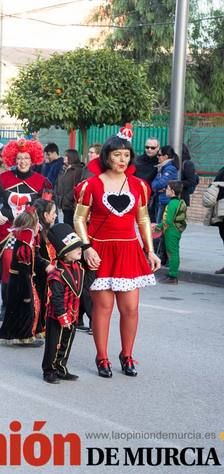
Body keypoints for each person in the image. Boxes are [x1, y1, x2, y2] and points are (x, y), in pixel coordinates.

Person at [73, 126, 160, 378]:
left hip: (129, 250)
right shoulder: (91, 185)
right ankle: (102, 357)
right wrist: (86, 247)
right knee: (103, 307)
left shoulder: (139, 186)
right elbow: (80, 218)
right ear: (107, 157)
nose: (122, 160)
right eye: (116, 155)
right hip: (100, 250)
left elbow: (143, 220)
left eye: (125, 155)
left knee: (131, 308)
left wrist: (150, 251)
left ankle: (127, 354)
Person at [0, 138, 52, 321]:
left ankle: (34, 305)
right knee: (8, 264)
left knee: (33, 267)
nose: (23, 162)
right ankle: (7, 305)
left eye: (26, 158)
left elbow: (46, 205)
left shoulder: (42, 181)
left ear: (33, 160)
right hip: (8, 232)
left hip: (32, 232)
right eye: (19, 158)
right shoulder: (3, 179)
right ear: (13, 160)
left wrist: (40, 222)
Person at [0, 208, 52, 345]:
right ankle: (24, 336)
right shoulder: (24, 242)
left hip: (24, 279)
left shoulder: (29, 238)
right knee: (27, 308)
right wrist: (27, 292)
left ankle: (23, 334)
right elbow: (23, 268)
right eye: (37, 221)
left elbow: (36, 257)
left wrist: (46, 265)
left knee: (26, 308)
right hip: (21, 281)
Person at [41, 223, 85, 384]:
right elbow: (56, 297)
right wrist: (62, 315)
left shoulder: (79, 268)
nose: (80, 249)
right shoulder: (57, 274)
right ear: (65, 253)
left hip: (72, 314)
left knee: (66, 343)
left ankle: (61, 367)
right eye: (75, 248)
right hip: (57, 315)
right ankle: (48, 370)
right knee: (53, 344)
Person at [154, 181, 187, 284]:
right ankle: (172, 274)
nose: (166, 190)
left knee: (172, 253)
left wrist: (157, 227)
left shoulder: (172, 203)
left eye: (167, 189)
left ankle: (172, 276)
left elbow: (168, 221)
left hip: (171, 230)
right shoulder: (179, 201)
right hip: (175, 230)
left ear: (172, 191)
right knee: (173, 252)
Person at [33, 199, 58, 338]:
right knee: (40, 300)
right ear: (44, 215)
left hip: (50, 274)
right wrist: (47, 265)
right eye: (53, 213)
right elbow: (34, 256)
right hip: (39, 275)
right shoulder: (36, 233)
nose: (55, 215)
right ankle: (37, 328)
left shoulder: (50, 231)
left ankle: (44, 325)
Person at [55, 149, 84, 226]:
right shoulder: (63, 168)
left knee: (71, 223)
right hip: (63, 202)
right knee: (66, 222)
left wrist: (68, 198)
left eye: (66, 156)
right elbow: (58, 182)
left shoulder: (78, 170)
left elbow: (78, 185)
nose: (64, 157)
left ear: (71, 157)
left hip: (71, 203)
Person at [151, 145, 180, 223]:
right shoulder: (162, 167)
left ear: (166, 156)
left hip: (166, 201)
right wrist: (157, 186)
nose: (157, 157)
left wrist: (158, 186)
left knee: (161, 227)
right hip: (161, 199)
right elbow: (154, 184)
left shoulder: (170, 168)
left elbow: (160, 184)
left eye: (159, 155)